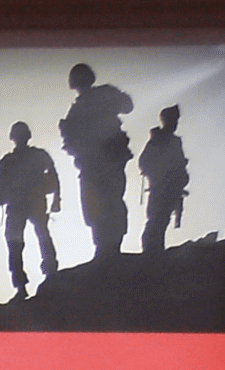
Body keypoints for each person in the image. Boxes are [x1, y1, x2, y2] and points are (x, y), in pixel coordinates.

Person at [58, 62, 134, 258]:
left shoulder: (95, 100)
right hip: (95, 162)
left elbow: (127, 106)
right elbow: (70, 141)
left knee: (106, 204)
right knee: (98, 206)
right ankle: (105, 249)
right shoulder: (80, 108)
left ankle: (109, 249)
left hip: (106, 160)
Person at [0, 120, 61, 297]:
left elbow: (53, 175)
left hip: (28, 202)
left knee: (34, 238)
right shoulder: (13, 160)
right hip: (22, 203)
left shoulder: (25, 157)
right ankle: (27, 283)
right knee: (22, 241)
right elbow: (0, 185)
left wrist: (56, 198)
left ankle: (46, 274)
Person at [139, 104, 189, 252]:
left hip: (171, 188)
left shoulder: (173, 142)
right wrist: (160, 177)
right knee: (157, 220)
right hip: (161, 187)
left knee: (162, 219)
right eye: (173, 120)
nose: (175, 123)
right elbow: (144, 162)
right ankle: (151, 250)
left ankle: (155, 249)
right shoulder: (158, 140)